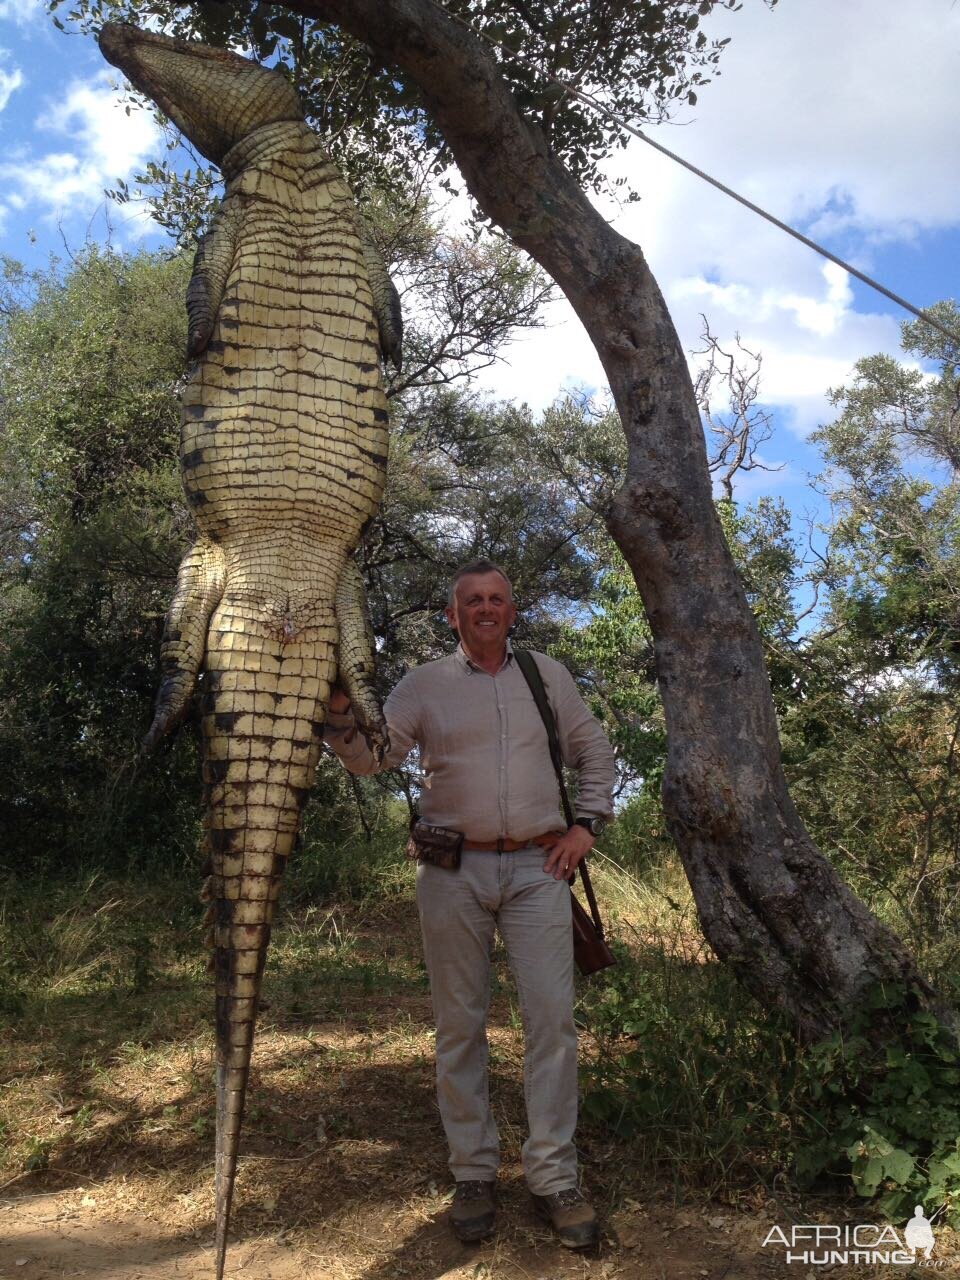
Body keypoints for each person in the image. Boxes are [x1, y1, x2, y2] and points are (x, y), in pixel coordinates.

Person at [324, 560, 615, 1249]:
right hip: (452, 871)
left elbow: (593, 752)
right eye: (472, 601)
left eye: (497, 599)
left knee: (552, 1023)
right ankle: (474, 1172)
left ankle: (553, 1178)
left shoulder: (547, 676)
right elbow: (375, 757)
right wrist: (339, 712)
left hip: (540, 868)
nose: (485, 609)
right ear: (452, 616)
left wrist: (587, 827)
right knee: (460, 1025)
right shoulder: (423, 684)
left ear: (513, 612)